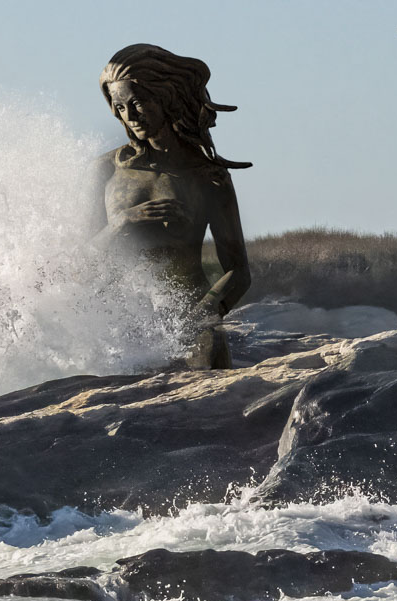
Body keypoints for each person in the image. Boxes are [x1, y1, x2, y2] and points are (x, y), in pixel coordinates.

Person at [90, 43, 252, 370]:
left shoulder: (208, 177)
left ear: (164, 98)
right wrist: (122, 222)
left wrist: (203, 315)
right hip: (122, 333)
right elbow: (82, 258)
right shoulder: (107, 169)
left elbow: (238, 271)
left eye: (136, 103)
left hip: (192, 325)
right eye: (119, 107)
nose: (129, 115)